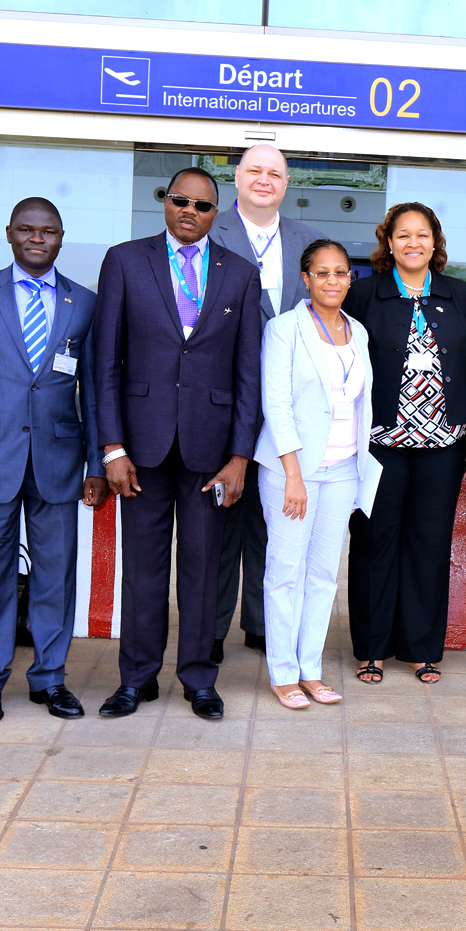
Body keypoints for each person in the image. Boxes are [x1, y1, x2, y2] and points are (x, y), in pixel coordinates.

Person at [94, 167, 262, 720]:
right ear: (165, 202)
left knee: (202, 568)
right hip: (140, 449)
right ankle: (136, 679)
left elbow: (247, 373)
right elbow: (106, 364)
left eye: (203, 205)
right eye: (180, 200)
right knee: (142, 571)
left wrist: (240, 456)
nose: (190, 211)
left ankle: (198, 678)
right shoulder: (124, 260)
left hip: (210, 453)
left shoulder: (240, 273)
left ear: (218, 213)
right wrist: (112, 448)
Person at [0, 198, 106, 724]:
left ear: (61, 236)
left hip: (59, 457)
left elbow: (94, 391)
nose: (37, 238)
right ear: (9, 233)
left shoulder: (84, 303)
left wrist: (97, 465)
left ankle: (50, 679)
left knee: (55, 574)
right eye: (27, 230)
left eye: (48, 231)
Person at [344, 202, 466, 686]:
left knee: (428, 544)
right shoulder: (364, 294)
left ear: (436, 242)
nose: (413, 243)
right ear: (389, 242)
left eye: (423, 235)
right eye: (403, 235)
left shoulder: (459, 294)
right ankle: (372, 649)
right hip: (380, 443)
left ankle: (422, 648)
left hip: (443, 445)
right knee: (374, 543)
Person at [209, 145, 324, 658]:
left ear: (286, 183)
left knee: (272, 519)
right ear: (236, 178)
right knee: (217, 522)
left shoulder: (307, 242)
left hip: (285, 407)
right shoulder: (207, 231)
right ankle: (209, 630)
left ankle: (261, 623)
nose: (263, 179)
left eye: (274, 173)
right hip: (219, 402)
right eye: (254, 170)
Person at [257, 239, 376, 707]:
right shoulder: (284, 329)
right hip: (294, 471)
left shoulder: (359, 332)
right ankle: (282, 672)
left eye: (341, 273)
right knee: (285, 573)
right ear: (305, 279)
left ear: (351, 278)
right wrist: (292, 474)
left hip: (345, 469)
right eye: (322, 273)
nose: (332, 281)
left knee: (324, 574)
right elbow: (277, 402)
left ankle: (310, 668)